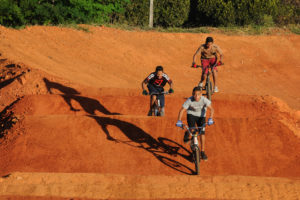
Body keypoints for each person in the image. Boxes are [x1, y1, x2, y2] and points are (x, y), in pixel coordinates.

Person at [176, 86, 214, 161]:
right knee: (193, 131)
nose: (196, 96)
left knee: (202, 133)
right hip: (191, 115)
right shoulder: (189, 100)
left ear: (201, 95)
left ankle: (202, 151)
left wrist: (210, 118)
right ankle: (194, 151)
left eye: (198, 95)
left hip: (201, 116)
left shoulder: (204, 100)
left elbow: (212, 109)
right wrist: (179, 121)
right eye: (194, 94)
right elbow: (182, 110)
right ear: (192, 94)